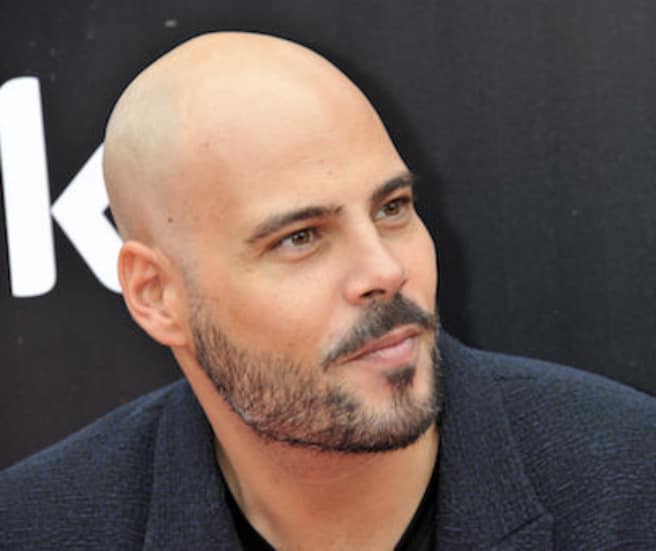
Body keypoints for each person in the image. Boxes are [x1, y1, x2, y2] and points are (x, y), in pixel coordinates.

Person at [1, 31, 655, 550]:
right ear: (156, 296)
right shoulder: (37, 528)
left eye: (392, 208)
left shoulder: (630, 482)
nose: (385, 271)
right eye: (301, 238)